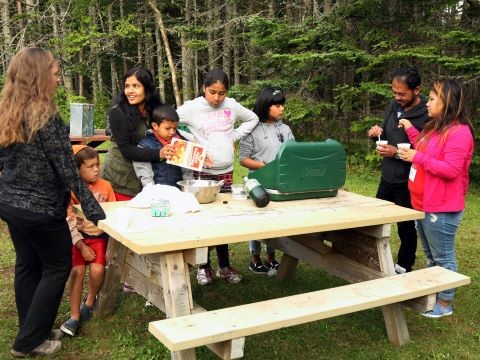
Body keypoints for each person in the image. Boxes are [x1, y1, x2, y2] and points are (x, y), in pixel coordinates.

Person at [0, 48, 105, 357]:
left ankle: (32, 329)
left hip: (10, 205)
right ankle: (28, 341)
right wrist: (95, 210)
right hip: (39, 210)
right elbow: (67, 169)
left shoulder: (8, 110)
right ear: (39, 76)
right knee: (57, 267)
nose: (59, 78)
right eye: (55, 72)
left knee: (28, 265)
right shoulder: (45, 116)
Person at [397, 78, 474, 318]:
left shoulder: (459, 133)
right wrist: (410, 128)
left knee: (443, 257)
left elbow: (451, 169)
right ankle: (435, 293)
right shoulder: (434, 127)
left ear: (447, 102)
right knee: (431, 256)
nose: (427, 104)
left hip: (442, 208)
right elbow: (422, 148)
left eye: (432, 99)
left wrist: (416, 158)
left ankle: (444, 303)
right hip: (423, 204)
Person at [176, 68, 259, 285]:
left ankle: (224, 266)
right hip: (202, 174)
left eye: (221, 93)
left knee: (223, 221)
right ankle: (203, 267)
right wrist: (192, 141)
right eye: (212, 92)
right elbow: (168, 123)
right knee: (203, 221)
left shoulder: (230, 105)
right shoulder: (193, 108)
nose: (216, 98)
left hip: (227, 172)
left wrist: (235, 135)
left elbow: (252, 118)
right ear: (204, 88)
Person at [101, 66, 163, 293]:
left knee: (144, 226)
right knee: (122, 229)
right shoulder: (117, 112)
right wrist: (159, 154)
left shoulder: (156, 109)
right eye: (127, 86)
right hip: (121, 176)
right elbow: (127, 150)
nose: (130, 90)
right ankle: (115, 276)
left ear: (147, 88)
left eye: (136, 86)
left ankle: (138, 274)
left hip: (147, 178)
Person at [367, 67, 428, 275]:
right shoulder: (394, 105)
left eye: (401, 94)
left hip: (407, 182)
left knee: (406, 227)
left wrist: (394, 152)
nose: (396, 97)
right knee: (374, 220)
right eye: (394, 92)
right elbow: (386, 130)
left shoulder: (427, 114)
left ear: (416, 90)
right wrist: (376, 133)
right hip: (387, 176)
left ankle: (404, 265)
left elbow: (425, 151)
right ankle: (369, 258)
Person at [60, 145, 116, 336]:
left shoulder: (106, 187)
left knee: (98, 269)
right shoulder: (70, 191)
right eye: (90, 166)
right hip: (78, 239)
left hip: (99, 237)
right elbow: (68, 221)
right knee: (77, 271)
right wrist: (81, 245)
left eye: (97, 165)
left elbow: (114, 213)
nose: (96, 169)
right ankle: (74, 316)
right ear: (77, 170)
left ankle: (90, 301)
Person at [239, 87, 294, 275]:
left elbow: (292, 152)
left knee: (274, 223)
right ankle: (255, 259)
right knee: (257, 222)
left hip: (279, 183)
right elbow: (243, 158)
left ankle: (272, 258)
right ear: (265, 106)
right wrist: (262, 167)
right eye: (277, 106)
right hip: (258, 183)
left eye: (282, 105)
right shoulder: (252, 129)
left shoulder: (285, 129)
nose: (282, 109)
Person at [133, 104, 193, 188]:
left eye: (175, 128)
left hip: (179, 192)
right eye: (167, 128)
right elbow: (145, 176)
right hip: (156, 194)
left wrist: (189, 189)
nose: (172, 132)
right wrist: (151, 193)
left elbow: (187, 173)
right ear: (155, 126)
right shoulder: (144, 146)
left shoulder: (180, 142)